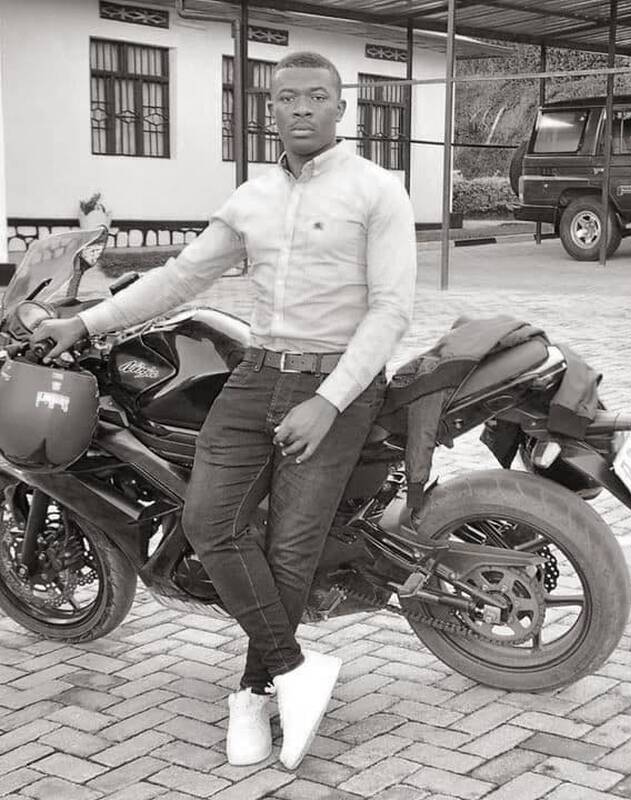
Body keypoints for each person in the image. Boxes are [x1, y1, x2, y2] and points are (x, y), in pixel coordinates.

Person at [32, 50, 417, 770]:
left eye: (316, 96)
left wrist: (328, 402)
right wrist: (83, 323)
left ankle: (251, 692)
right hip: (257, 374)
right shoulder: (251, 199)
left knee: (290, 547)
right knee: (209, 522)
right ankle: (292, 669)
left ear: (342, 109)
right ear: (269, 111)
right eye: (287, 98)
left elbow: (392, 310)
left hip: (339, 383)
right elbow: (180, 278)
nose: (301, 109)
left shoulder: (377, 191)